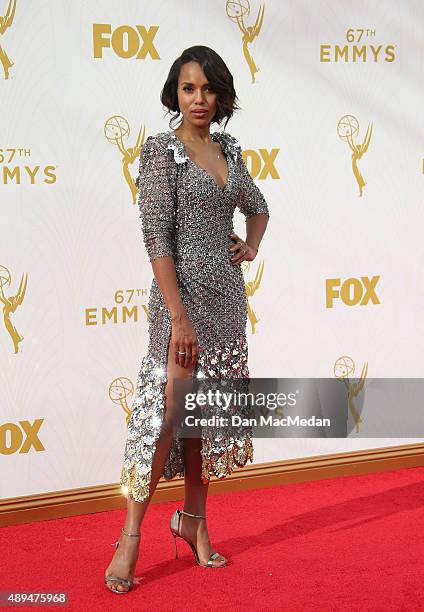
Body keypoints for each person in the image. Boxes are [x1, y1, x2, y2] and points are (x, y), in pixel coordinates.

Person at [105, 45, 270, 594]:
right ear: (175, 94)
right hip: (180, 310)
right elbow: (157, 241)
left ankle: (193, 522)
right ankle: (131, 537)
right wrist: (178, 316)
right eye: (188, 88)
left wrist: (248, 245)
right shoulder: (161, 153)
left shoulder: (228, 148)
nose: (199, 99)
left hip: (225, 307)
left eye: (208, 89)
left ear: (221, 96)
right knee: (166, 421)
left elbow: (258, 203)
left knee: (203, 421)